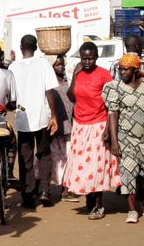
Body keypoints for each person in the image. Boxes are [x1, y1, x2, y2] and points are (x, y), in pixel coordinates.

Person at [63, 41, 118, 219]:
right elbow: (71, 96)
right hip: (80, 125)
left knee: (96, 167)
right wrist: (74, 76)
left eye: (90, 58)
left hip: (98, 124)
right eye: (84, 58)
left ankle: (98, 205)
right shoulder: (78, 73)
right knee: (83, 166)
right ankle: (89, 197)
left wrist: (109, 130)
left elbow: (112, 104)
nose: (87, 62)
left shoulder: (104, 75)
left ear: (96, 57)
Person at [104, 53, 144, 224]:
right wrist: (114, 140)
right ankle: (132, 210)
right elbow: (112, 113)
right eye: (120, 69)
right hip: (125, 137)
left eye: (126, 69)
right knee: (128, 174)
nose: (122, 72)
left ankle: (141, 198)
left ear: (135, 70)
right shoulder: (114, 87)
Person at [8, 34, 59, 208]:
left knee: (25, 157)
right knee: (44, 153)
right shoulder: (43, 64)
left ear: (21, 48)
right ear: (36, 47)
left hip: (23, 120)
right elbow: (50, 91)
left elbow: (11, 96)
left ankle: (28, 194)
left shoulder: (13, 67)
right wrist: (53, 115)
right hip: (42, 117)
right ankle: (45, 190)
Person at [49, 55, 77, 202]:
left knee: (68, 158)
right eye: (57, 65)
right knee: (54, 159)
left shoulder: (67, 82)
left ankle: (65, 189)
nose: (61, 67)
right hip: (54, 128)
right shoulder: (49, 84)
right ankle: (46, 189)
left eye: (62, 65)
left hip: (68, 126)